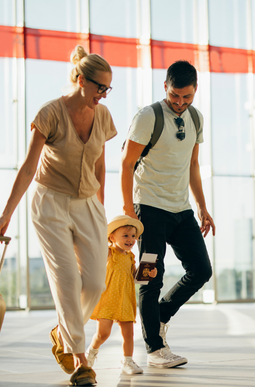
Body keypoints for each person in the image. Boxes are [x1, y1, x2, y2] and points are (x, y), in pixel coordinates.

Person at [0, 45, 117, 386]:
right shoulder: (50, 113)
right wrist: (6, 214)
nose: (103, 95)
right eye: (99, 87)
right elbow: (30, 166)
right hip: (51, 203)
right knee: (67, 280)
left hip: (88, 203)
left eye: (108, 88)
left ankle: (63, 332)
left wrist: (102, 210)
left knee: (94, 282)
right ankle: (79, 360)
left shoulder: (103, 116)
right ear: (80, 79)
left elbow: (101, 166)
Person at [120, 60, 215, 368]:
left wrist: (202, 206)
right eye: (175, 96)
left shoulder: (196, 118)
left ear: (195, 91)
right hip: (148, 207)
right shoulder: (148, 116)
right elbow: (126, 164)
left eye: (186, 97)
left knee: (201, 270)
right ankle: (154, 348)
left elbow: (193, 165)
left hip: (181, 208)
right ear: (165, 87)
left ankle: (160, 316)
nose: (180, 103)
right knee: (150, 277)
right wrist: (127, 209)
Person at [86, 215, 157, 374]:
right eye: (125, 235)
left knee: (129, 334)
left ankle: (127, 361)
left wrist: (149, 273)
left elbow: (135, 277)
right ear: (112, 237)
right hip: (108, 298)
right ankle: (92, 351)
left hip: (125, 299)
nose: (130, 239)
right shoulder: (109, 253)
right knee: (103, 333)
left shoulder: (131, 256)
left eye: (133, 236)